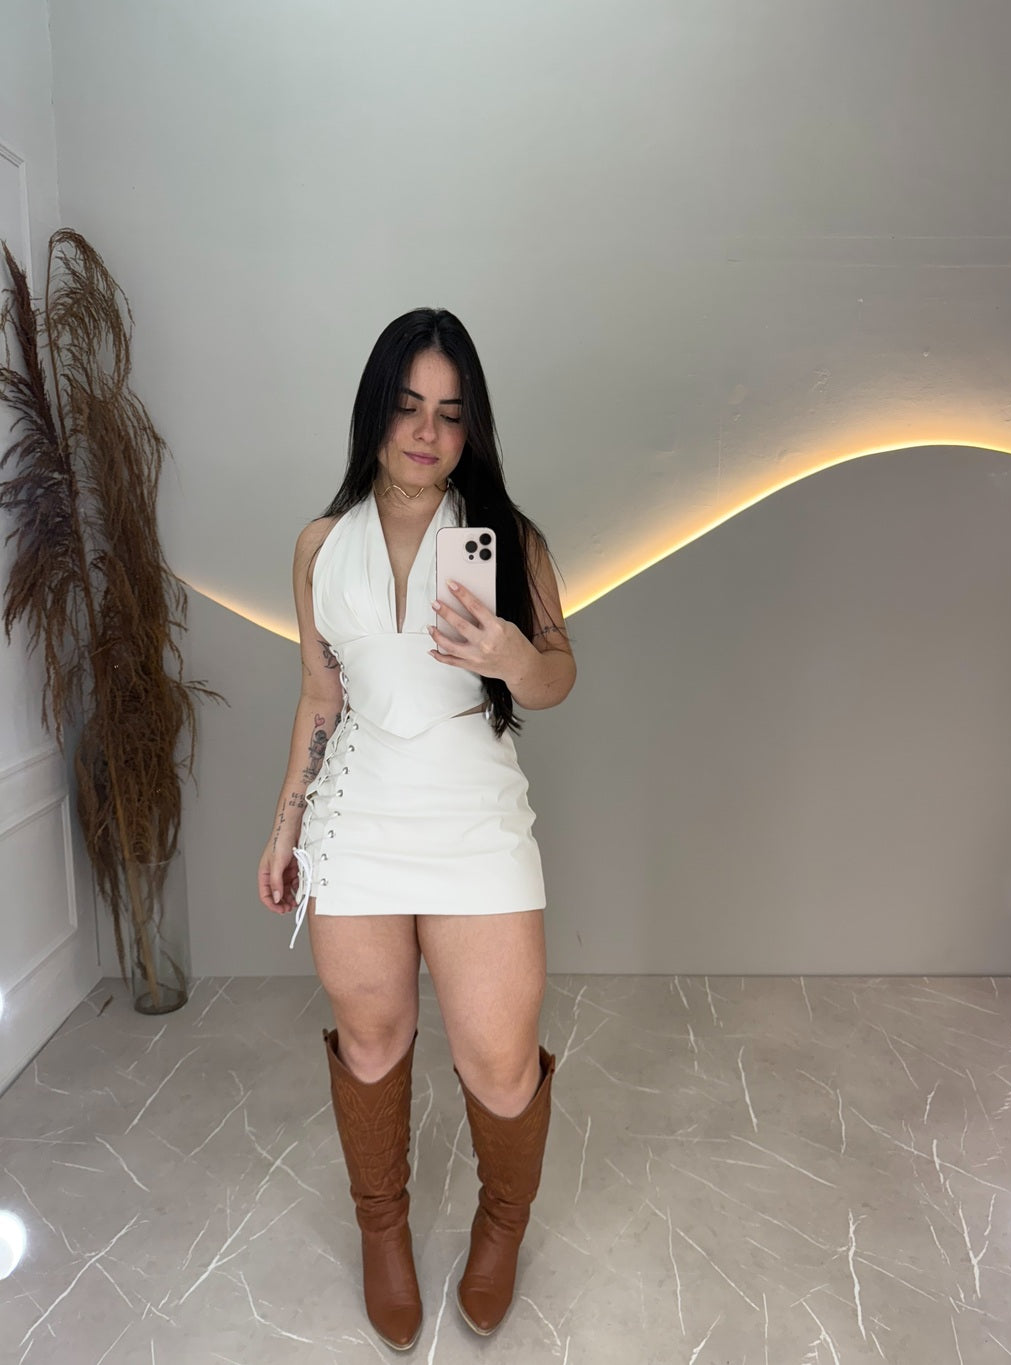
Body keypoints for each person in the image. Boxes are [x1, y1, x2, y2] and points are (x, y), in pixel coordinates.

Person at [258, 309, 576, 1351]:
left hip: (475, 814)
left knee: (499, 1059)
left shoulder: (509, 540)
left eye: (449, 411)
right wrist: (285, 826)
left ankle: (502, 1223)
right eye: (407, 407)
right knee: (372, 1038)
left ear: (470, 424)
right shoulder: (320, 547)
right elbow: (320, 697)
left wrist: (511, 656)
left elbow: (558, 676)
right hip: (356, 820)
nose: (427, 432)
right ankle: (382, 1230)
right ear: (376, 412)